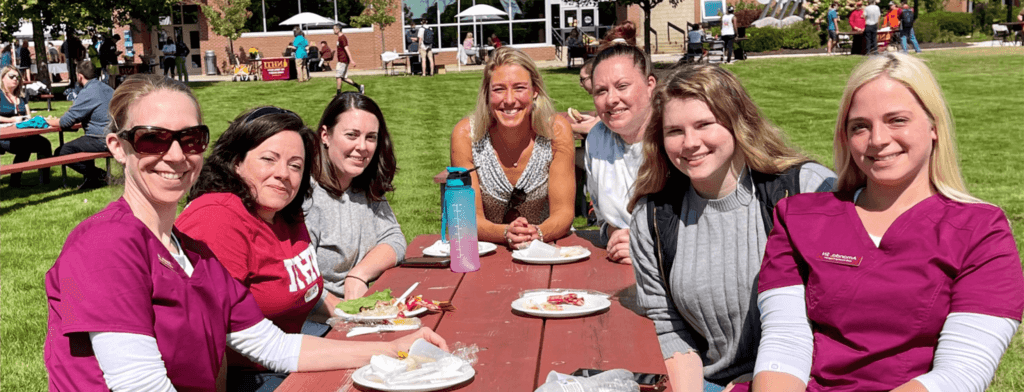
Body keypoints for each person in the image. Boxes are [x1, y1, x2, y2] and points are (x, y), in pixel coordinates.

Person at [44, 74, 447, 392]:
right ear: (118, 146)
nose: (175, 154)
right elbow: (139, 384)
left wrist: (389, 348)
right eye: (153, 138)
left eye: (190, 139)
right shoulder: (106, 244)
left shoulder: (193, 254)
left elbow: (271, 345)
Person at [752, 52, 1023, 392]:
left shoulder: (982, 231)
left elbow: (961, 375)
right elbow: (784, 344)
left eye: (896, 120)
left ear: (934, 126)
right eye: (860, 126)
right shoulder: (797, 218)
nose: (877, 140)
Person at [628, 64, 837, 392]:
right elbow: (668, 328)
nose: (690, 143)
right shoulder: (653, 218)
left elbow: (850, 317)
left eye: (704, 124)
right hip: (710, 384)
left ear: (737, 121)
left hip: (809, 380)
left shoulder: (805, 190)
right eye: (674, 131)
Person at [175, 105, 360, 389]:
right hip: (243, 375)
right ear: (236, 161)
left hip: (289, 357)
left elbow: (302, 289)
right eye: (268, 159)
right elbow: (201, 337)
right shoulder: (217, 218)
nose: (283, 174)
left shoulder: (285, 211)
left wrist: (359, 317)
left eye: (295, 165)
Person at [450, 47, 574, 249]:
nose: (509, 100)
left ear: (535, 91)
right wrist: (507, 233)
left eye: (519, 88)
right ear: (487, 94)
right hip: (486, 252)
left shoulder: (556, 132)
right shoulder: (466, 135)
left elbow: (564, 212)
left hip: (545, 249)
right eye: (499, 89)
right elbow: (467, 221)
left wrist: (537, 233)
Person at [305, 93, 405, 300]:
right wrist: (349, 313)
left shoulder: (364, 186)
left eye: (371, 137)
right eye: (351, 135)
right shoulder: (306, 197)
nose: (362, 147)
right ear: (325, 135)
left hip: (355, 311)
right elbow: (297, 286)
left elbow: (394, 238)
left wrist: (358, 275)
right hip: (314, 321)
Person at [584, 43, 654, 264]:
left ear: (649, 84)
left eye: (622, 86)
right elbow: (605, 220)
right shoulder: (597, 139)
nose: (611, 99)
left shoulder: (676, 136)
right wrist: (615, 234)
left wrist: (645, 245)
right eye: (601, 91)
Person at [46, 60, 114, 189]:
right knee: (83, 143)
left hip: (101, 138)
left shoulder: (88, 92)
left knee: (63, 151)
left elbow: (65, 122)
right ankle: (92, 179)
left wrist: (46, 121)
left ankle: (99, 175)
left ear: (79, 76)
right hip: (115, 136)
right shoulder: (108, 88)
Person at [1, 65, 52, 187]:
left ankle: (45, 180)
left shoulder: (21, 96)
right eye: (11, 76)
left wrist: (39, 120)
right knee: (24, 147)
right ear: (3, 78)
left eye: (18, 77)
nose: (15, 79)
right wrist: (10, 120)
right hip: (4, 136)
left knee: (45, 144)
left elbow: (28, 116)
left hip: (22, 133)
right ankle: (14, 181)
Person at [333, 24, 363, 96]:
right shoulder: (340, 37)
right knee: (343, 78)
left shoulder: (342, 38)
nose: (333, 30)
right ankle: (359, 87)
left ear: (338, 30)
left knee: (338, 77)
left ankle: (338, 94)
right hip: (342, 60)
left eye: (334, 29)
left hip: (342, 60)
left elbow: (347, 49)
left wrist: (352, 60)